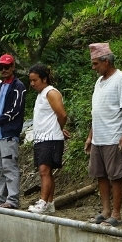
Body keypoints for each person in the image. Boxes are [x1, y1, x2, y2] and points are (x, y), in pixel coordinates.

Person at [85, 43, 122, 227]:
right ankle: (105, 211)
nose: (94, 67)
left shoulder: (121, 79)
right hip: (99, 137)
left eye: (96, 63)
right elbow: (96, 111)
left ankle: (116, 213)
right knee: (101, 175)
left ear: (106, 61)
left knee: (115, 175)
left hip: (113, 136)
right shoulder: (99, 82)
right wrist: (91, 136)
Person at [26, 64, 69, 214]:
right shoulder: (41, 94)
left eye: (35, 80)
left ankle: (43, 202)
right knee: (46, 171)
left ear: (44, 79)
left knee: (44, 171)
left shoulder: (51, 92)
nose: (32, 84)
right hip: (42, 138)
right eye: (30, 81)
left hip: (50, 138)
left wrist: (58, 129)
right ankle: (50, 203)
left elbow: (62, 115)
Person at [0, 54, 26, 209]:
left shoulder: (18, 86)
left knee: (9, 167)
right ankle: (1, 197)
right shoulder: (0, 86)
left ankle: (13, 199)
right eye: (1, 67)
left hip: (8, 133)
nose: (4, 70)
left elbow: (16, 109)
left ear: (13, 67)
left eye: (7, 67)